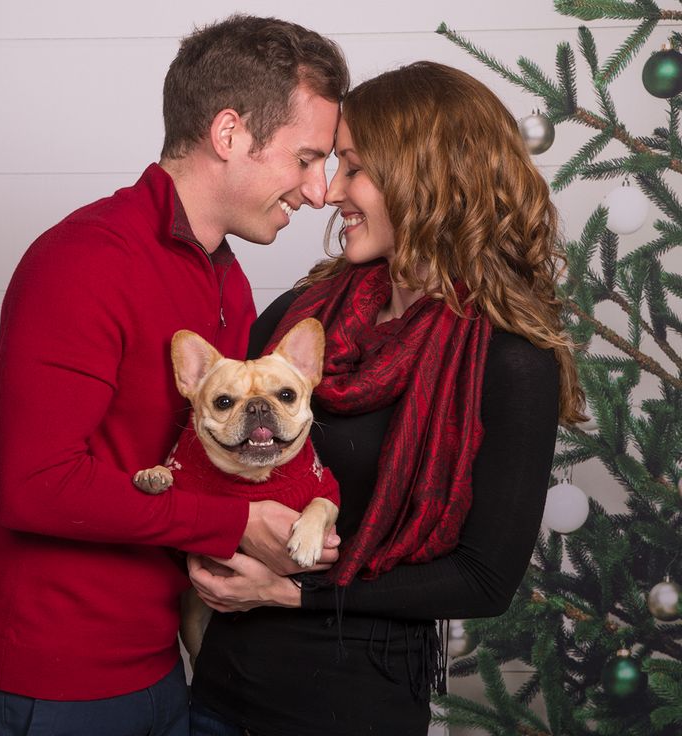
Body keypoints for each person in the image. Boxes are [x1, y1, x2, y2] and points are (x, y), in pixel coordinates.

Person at [0, 14, 348, 736]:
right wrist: (236, 524)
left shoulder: (228, 282)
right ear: (229, 135)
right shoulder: (86, 260)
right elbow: (33, 488)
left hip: (161, 665)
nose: (319, 191)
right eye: (307, 158)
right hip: (45, 682)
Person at [185, 61, 587, 736]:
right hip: (218, 693)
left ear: (427, 178)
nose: (327, 192)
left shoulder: (512, 360)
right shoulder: (301, 312)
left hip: (350, 708)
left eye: (353, 168)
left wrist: (291, 591)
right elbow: (208, 457)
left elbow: (483, 581)